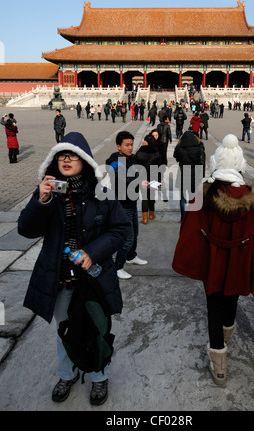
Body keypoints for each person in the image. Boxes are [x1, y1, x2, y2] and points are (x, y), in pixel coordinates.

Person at [17, 132, 130, 405]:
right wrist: (40, 201)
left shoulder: (102, 192)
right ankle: (66, 374)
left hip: (94, 278)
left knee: (97, 329)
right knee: (65, 330)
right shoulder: (49, 191)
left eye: (73, 156)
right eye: (61, 155)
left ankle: (99, 377)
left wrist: (92, 252)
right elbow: (25, 230)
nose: (66, 160)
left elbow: (120, 229)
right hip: (60, 278)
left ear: (85, 161)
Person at [172, 134, 254, 386]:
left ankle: (219, 367)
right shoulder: (251, 199)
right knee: (231, 300)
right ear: (239, 164)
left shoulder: (202, 194)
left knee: (213, 307)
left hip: (212, 261)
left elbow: (188, 229)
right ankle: (226, 339)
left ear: (216, 162)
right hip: (237, 261)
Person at [106, 131, 148, 280]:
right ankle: (117, 267)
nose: (130, 147)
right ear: (119, 146)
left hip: (131, 202)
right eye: (127, 145)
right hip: (122, 205)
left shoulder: (128, 159)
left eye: (131, 144)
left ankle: (131, 256)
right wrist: (139, 182)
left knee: (134, 234)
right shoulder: (116, 161)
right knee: (127, 238)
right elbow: (120, 177)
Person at [173, 131, 206, 220]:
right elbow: (202, 163)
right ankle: (192, 217)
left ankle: (183, 217)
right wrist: (201, 176)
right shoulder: (199, 149)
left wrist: (179, 145)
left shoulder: (180, 149)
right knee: (193, 197)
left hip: (183, 176)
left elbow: (175, 155)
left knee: (182, 198)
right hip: (194, 176)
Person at [135, 131, 160, 224]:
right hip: (153, 177)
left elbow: (135, 165)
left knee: (144, 197)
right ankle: (152, 214)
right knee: (152, 196)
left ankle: (144, 218)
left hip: (142, 177)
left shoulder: (139, 152)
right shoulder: (156, 153)